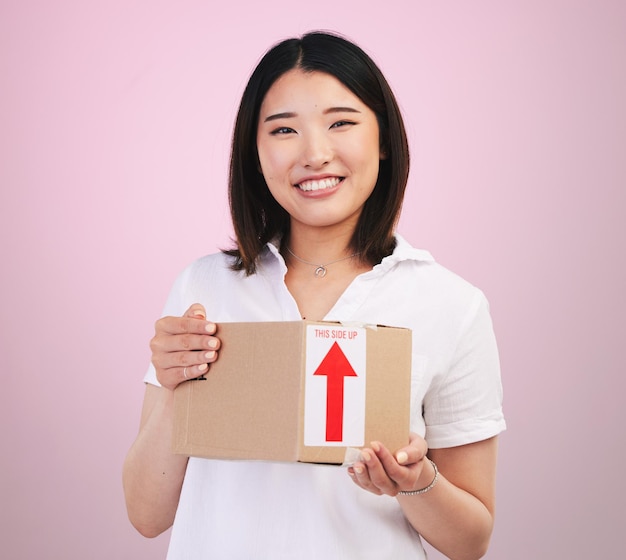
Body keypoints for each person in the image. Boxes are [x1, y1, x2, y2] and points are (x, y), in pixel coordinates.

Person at [123, 31, 505, 560]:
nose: (315, 154)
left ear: (384, 140)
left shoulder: (452, 305)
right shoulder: (203, 289)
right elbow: (147, 515)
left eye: (342, 122)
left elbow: (471, 541)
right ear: (255, 154)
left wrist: (415, 483)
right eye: (283, 130)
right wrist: (173, 388)